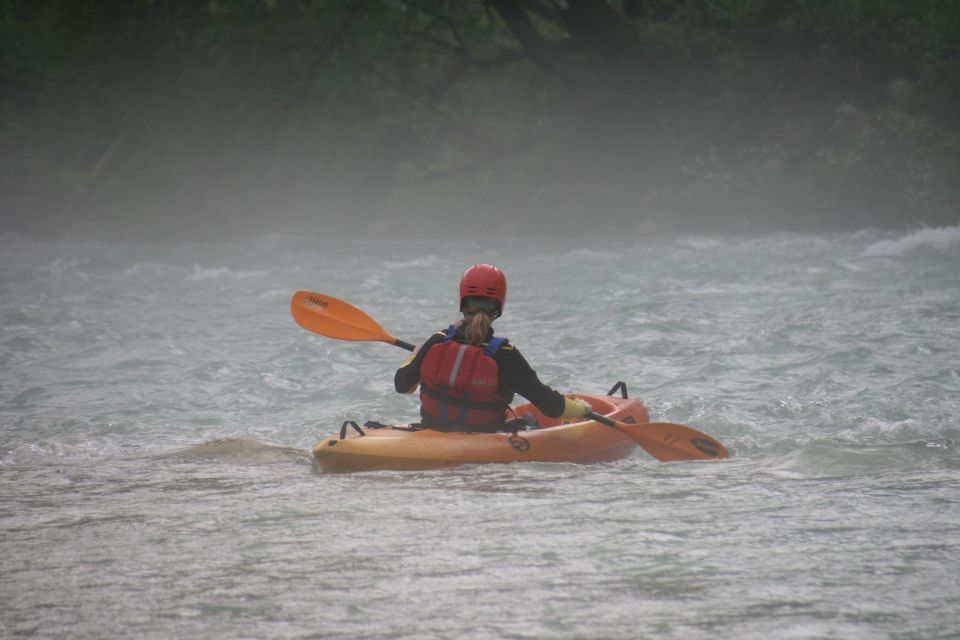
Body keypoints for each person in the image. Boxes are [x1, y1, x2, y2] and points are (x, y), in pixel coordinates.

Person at [394, 263, 592, 432]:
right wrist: (583, 409)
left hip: (432, 432)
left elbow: (402, 385)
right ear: (499, 305)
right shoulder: (505, 355)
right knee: (530, 421)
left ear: (463, 301)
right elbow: (551, 407)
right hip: (485, 439)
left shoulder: (438, 340)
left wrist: (415, 355)